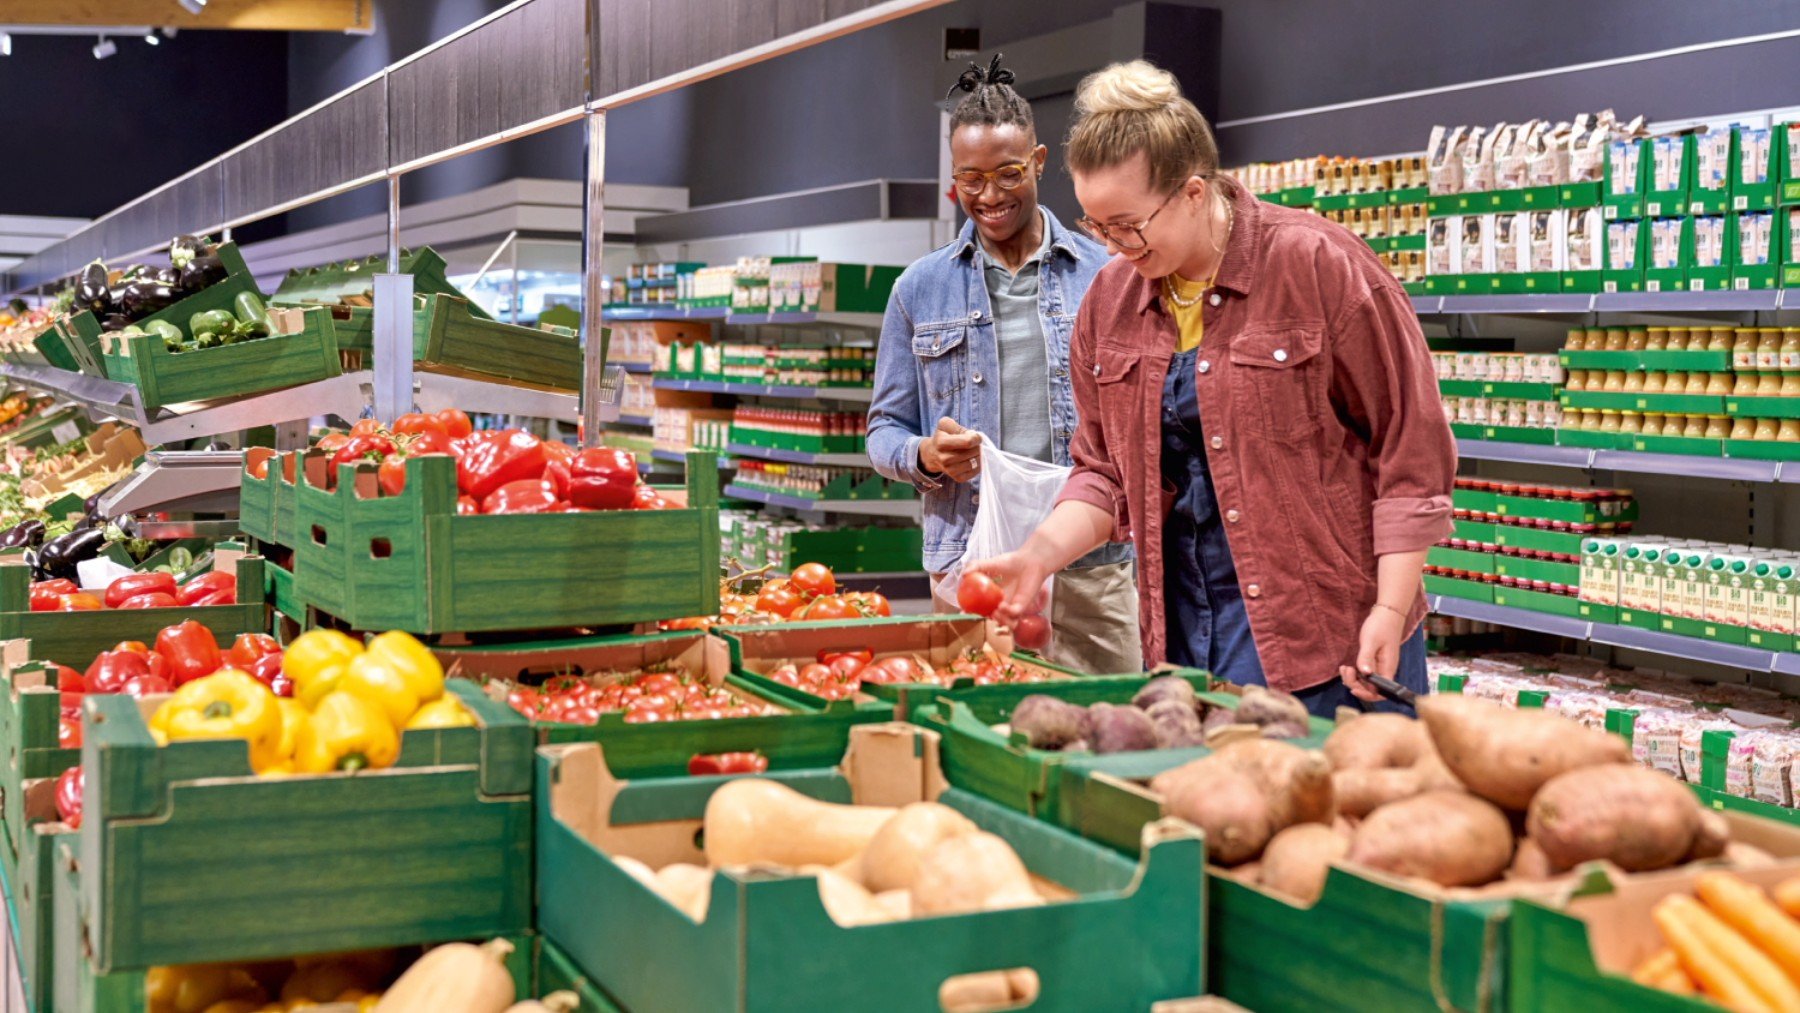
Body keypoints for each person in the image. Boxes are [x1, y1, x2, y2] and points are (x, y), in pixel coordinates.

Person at [970, 60, 1455, 716]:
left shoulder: (1319, 266)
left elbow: (1411, 454)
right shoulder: (1111, 303)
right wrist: (1038, 556)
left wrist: (1391, 608)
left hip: (1330, 637)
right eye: (1095, 226)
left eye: (1128, 224)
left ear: (1194, 193)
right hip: (1185, 641)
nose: (1114, 246)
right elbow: (1103, 475)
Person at [867, 54, 1141, 675]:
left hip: (1092, 572)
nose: (990, 196)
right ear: (954, 181)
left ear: (1040, 163)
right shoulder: (920, 289)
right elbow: (883, 433)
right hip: (972, 564)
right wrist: (926, 457)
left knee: (1110, 731)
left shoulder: (1110, 276)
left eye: (1009, 174)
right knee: (983, 729)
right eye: (971, 180)